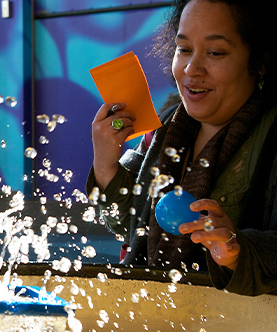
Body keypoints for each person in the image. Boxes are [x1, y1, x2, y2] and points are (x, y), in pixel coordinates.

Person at [87, 0, 277, 296]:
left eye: (215, 52)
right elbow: (131, 227)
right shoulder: (166, 128)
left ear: (260, 60)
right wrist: (105, 163)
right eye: (184, 49)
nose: (191, 68)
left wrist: (237, 251)